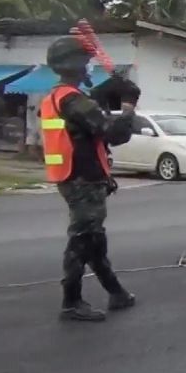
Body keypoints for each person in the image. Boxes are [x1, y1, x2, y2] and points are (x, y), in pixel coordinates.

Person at [40, 36, 142, 322]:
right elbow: (113, 133)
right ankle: (71, 301)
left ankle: (116, 292)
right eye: (85, 63)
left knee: (94, 238)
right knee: (83, 239)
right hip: (82, 179)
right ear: (74, 65)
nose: (88, 68)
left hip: (75, 176)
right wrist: (129, 106)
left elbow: (86, 115)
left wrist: (105, 91)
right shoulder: (73, 100)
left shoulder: (58, 96)